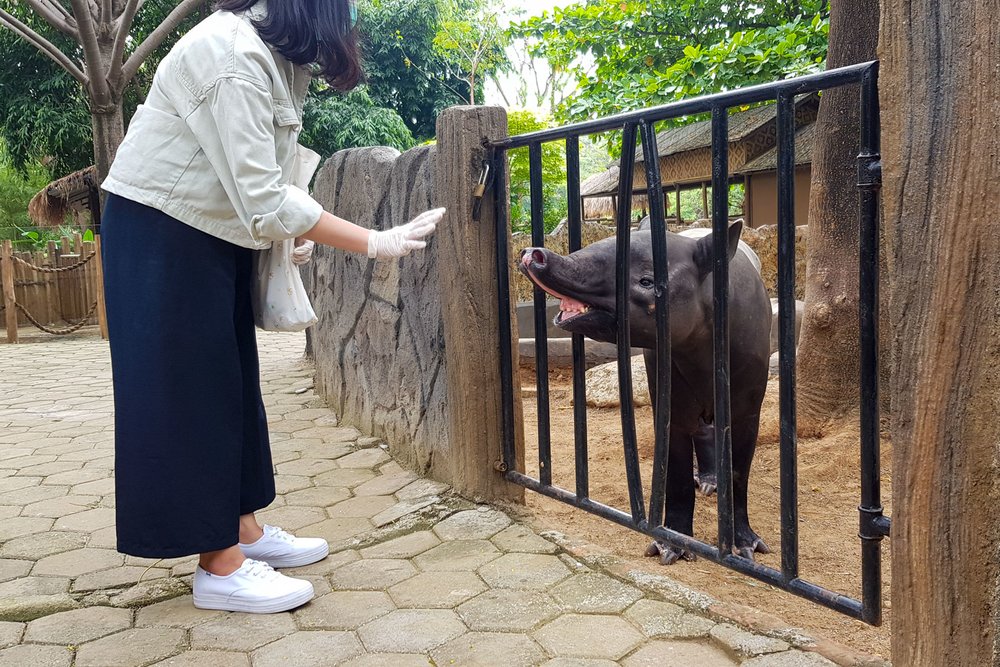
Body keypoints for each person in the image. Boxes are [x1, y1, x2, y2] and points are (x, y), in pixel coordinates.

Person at [99, 0, 443, 614]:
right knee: (189, 390)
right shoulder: (231, 54)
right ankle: (219, 566)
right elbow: (263, 196)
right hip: (161, 229)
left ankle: (243, 531)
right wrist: (375, 241)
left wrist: (288, 236)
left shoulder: (275, 56)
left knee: (231, 383)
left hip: (211, 229)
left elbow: (265, 177)